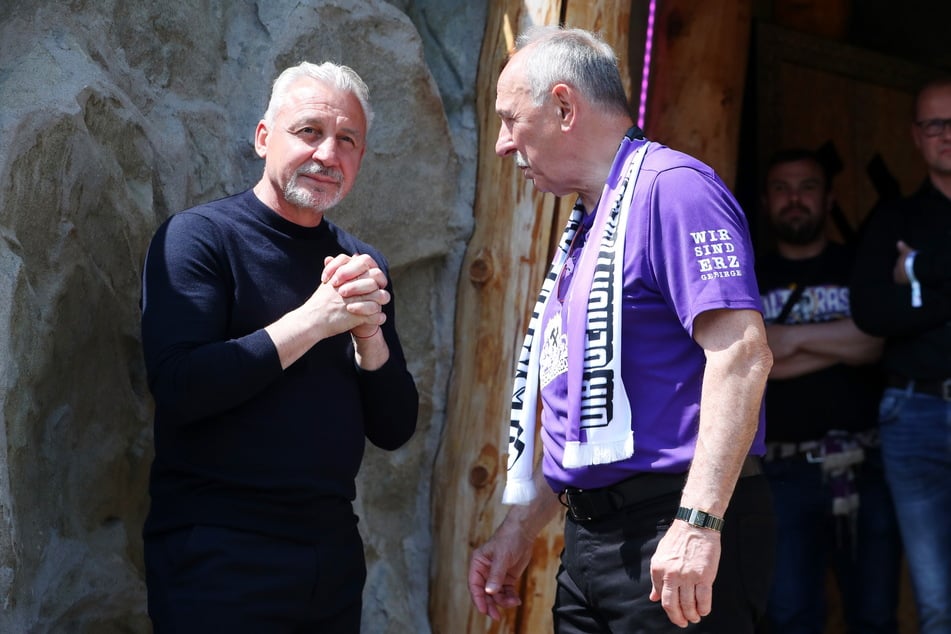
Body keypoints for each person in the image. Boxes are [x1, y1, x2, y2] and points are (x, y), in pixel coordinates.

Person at [467, 26, 776, 633]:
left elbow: (742, 356)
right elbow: (580, 409)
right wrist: (518, 528)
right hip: (589, 543)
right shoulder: (589, 221)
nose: (503, 144)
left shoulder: (673, 189)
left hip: (675, 525)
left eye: (510, 119)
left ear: (563, 106)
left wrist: (699, 523)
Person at [139, 61, 418, 633]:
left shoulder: (360, 264)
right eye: (309, 131)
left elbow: (394, 427)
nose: (327, 154)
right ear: (264, 137)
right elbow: (180, 386)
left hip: (330, 553)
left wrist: (368, 335)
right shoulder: (198, 237)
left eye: (347, 140)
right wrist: (314, 321)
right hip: (218, 549)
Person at [756, 148, 902, 633]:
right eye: (781, 188)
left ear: (829, 198)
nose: (794, 199)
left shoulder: (859, 264)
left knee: (875, 616)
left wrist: (789, 339)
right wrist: (840, 338)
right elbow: (751, 366)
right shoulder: (747, 274)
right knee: (789, 616)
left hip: (867, 466)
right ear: (766, 201)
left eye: (807, 187)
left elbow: (876, 342)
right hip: (781, 472)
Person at [850, 78, 951, 634]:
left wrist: (918, 273)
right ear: (916, 136)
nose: (946, 135)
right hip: (916, 415)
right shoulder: (893, 220)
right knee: (938, 602)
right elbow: (871, 312)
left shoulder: (909, 244)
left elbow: (899, 305)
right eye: (934, 124)